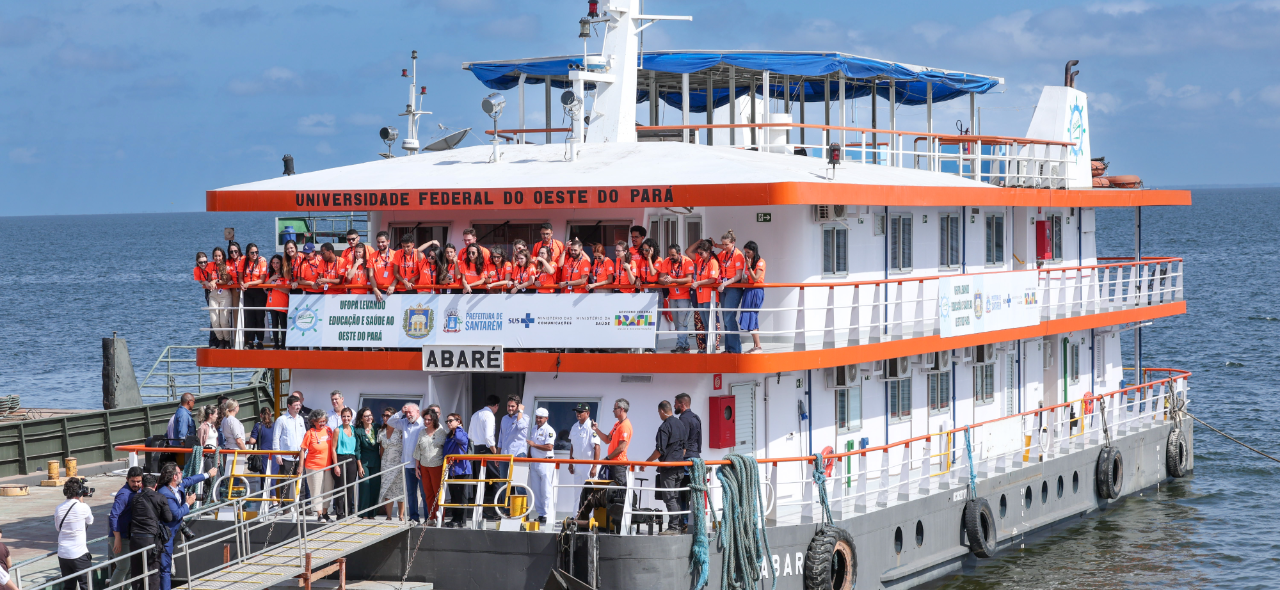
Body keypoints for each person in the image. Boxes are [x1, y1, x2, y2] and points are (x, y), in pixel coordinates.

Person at [157, 464, 214, 590]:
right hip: (166, 535)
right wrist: (188, 503)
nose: (182, 474)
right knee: (165, 568)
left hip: (173, 531)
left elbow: (190, 480)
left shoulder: (178, 485)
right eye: (180, 472)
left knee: (165, 567)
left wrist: (208, 474)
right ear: (174, 476)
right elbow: (176, 514)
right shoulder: (165, 493)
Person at [641, 401, 688, 534]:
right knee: (676, 497)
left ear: (662, 411)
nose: (659, 415)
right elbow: (684, 448)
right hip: (680, 467)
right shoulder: (681, 424)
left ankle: (673, 527)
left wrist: (647, 462)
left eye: (658, 413)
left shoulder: (665, 427)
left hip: (668, 469)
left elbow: (659, 450)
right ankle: (677, 525)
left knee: (669, 497)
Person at [386, 404, 428, 522]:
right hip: (407, 464)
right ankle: (414, 517)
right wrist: (400, 412)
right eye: (407, 413)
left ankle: (428, 516)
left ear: (417, 411)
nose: (408, 415)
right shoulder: (404, 422)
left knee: (424, 493)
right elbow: (390, 421)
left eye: (410, 412)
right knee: (411, 493)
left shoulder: (424, 424)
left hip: (421, 464)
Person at [127, 475, 169, 590]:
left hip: (135, 539)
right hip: (151, 540)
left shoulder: (135, 498)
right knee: (153, 573)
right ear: (155, 486)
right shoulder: (160, 497)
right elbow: (168, 518)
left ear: (142, 485)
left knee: (136, 573)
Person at [108, 467, 144, 587]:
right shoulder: (123, 495)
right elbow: (113, 516)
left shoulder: (138, 491)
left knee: (131, 568)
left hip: (129, 536)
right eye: (133, 481)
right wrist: (117, 538)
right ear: (127, 479)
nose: (136, 484)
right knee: (123, 567)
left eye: (138, 481)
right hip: (120, 537)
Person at [591, 399, 633, 500]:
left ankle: (620, 513)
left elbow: (621, 447)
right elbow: (607, 439)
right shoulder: (617, 424)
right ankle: (612, 514)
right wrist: (596, 429)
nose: (613, 411)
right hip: (613, 464)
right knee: (611, 493)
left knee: (620, 493)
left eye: (615, 409)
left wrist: (607, 458)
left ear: (621, 409)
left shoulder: (625, 426)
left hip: (619, 465)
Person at [467, 395, 500, 519]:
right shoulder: (489, 415)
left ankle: (479, 511)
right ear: (496, 405)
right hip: (487, 450)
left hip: (476, 450)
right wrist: (495, 452)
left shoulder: (475, 414)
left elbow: (470, 434)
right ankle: (498, 510)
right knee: (498, 479)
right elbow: (489, 437)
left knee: (480, 481)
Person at [412, 405, 446, 525]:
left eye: (429, 420)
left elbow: (446, 449)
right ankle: (431, 518)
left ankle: (440, 517)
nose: (426, 422)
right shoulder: (422, 432)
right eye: (425, 419)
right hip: (424, 466)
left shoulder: (442, 432)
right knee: (428, 493)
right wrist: (417, 467)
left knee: (438, 493)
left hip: (437, 466)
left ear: (434, 420)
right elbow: (418, 450)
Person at [714, 230, 746, 354]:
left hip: (733, 287)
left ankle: (736, 349)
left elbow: (738, 275)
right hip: (724, 288)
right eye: (723, 244)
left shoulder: (738, 255)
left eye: (726, 245)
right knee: (725, 318)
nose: (724, 247)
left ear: (733, 243)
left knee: (729, 318)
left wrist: (724, 284)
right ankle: (728, 349)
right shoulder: (724, 253)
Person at [300, 409, 336, 521]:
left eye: (324, 421)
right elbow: (302, 450)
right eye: (320, 421)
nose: (322, 423)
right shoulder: (309, 433)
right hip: (313, 466)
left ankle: (325, 513)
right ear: (313, 421)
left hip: (328, 466)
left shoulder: (329, 430)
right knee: (317, 490)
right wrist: (300, 466)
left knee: (328, 490)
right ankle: (319, 514)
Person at [659, 244, 695, 353]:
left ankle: (680, 345)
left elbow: (689, 279)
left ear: (679, 254)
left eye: (673, 255)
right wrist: (665, 281)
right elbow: (660, 278)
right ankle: (685, 345)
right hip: (672, 296)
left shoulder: (687, 261)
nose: (671, 257)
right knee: (676, 323)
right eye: (669, 254)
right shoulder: (666, 261)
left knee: (682, 322)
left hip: (685, 296)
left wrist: (673, 280)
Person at [273, 395, 307, 507]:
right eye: (295, 405)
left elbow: (304, 437)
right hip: (286, 457)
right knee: (285, 482)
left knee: (301, 482)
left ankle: (301, 505)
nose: (298, 407)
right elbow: (276, 437)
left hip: (300, 456)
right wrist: (277, 455)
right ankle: (285, 506)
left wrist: (305, 453)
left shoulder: (301, 419)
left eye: (299, 405)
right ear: (289, 406)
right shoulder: (281, 420)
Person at [674, 393, 702, 527]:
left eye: (676, 403)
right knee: (695, 492)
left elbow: (682, 442)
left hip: (686, 460)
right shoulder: (696, 418)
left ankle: (685, 522)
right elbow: (699, 441)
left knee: (682, 492)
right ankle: (696, 521)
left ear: (682, 405)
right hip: (696, 458)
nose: (674, 406)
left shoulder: (683, 420)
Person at [567, 403, 602, 512]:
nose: (578, 414)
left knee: (590, 492)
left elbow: (597, 448)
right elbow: (572, 446)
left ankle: (590, 516)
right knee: (577, 491)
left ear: (587, 413)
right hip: (578, 463)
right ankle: (575, 515)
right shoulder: (574, 427)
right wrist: (571, 463)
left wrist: (594, 466)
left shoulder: (592, 427)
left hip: (589, 464)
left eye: (581, 412)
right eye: (577, 411)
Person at [690, 240, 722, 353]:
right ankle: (708, 347)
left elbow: (713, 279)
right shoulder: (700, 261)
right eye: (698, 253)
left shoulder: (713, 262)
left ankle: (711, 347)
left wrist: (698, 283)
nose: (699, 255)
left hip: (710, 297)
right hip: (701, 297)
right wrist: (699, 242)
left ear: (708, 252)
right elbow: (688, 251)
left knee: (710, 324)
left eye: (701, 253)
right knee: (705, 324)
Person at [442, 413, 472, 528]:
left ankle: (461, 520)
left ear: (458, 421)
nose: (448, 423)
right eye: (447, 421)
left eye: (451, 421)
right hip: (452, 469)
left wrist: (458, 428)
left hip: (462, 469)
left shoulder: (462, 433)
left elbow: (460, 440)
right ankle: (455, 518)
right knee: (454, 495)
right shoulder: (449, 436)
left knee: (461, 495)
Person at [527, 407, 556, 524]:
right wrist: (528, 459)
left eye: (541, 418)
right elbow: (530, 446)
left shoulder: (549, 430)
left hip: (545, 462)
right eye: (537, 417)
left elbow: (549, 447)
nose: (538, 420)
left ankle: (547, 514)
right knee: (536, 490)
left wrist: (534, 445)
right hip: (534, 462)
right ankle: (540, 514)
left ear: (546, 418)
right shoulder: (534, 429)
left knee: (546, 489)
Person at [377, 408, 407, 521]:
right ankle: (389, 516)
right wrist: (381, 464)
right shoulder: (381, 431)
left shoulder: (400, 430)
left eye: (388, 416)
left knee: (399, 489)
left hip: (399, 464)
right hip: (386, 464)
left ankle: (401, 516)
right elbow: (381, 450)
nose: (385, 418)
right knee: (387, 490)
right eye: (384, 415)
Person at [332, 408, 361, 520]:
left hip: (352, 459)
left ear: (351, 417)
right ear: (341, 417)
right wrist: (336, 465)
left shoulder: (354, 430)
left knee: (350, 487)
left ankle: (349, 511)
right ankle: (339, 513)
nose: (346, 418)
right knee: (340, 487)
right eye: (344, 416)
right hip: (341, 458)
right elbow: (333, 449)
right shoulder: (337, 431)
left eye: (348, 416)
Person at [238, 243, 269, 349]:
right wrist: (242, 283)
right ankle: (250, 341)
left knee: (260, 317)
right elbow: (240, 277)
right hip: (248, 293)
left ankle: (260, 341)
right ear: (248, 253)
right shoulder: (243, 261)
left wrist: (248, 284)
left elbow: (262, 279)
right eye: (252, 252)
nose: (255, 254)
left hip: (259, 292)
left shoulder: (262, 261)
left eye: (256, 252)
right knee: (249, 317)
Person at [353, 408, 382, 518]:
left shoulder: (377, 427)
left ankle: (372, 513)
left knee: (375, 486)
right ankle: (363, 513)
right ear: (361, 418)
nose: (369, 417)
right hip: (364, 461)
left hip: (376, 461)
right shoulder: (358, 431)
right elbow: (357, 449)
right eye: (366, 416)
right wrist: (359, 466)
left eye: (370, 415)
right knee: (365, 486)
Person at [205, 247, 236, 348]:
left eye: (219, 256)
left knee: (223, 321)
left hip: (225, 295)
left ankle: (227, 341)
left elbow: (227, 280)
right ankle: (220, 340)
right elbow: (209, 279)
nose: (217, 258)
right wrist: (210, 282)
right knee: (214, 321)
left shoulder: (227, 266)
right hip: (214, 294)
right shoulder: (210, 265)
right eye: (215, 256)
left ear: (222, 256)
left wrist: (216, 281)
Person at [740, 240, 767, 353]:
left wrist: (749, 266)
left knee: (752, 317)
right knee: (750, 317)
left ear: (754, 251)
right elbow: (747, 278)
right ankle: (756, 345)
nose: (747, 255)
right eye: (745, 252)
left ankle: (758, 346)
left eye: (749, 252)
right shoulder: (749, 263)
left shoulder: (760, 262)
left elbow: (756, 278)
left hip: (756, 291)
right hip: (748, 290)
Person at [264, 255, 290, 348]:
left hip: (282, 304)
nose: (275, 265)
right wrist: (272, 279)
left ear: (281, 264)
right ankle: (276, 344)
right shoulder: (270, 275)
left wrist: (276, 286)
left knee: (283, 324)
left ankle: (283, 344)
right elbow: (264, 287)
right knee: (274, 324)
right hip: (272, 303)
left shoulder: (285, 274)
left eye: (277, 263)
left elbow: (287, 290)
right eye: (273, 263)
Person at [249, 406, 275, 497]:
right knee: (273, 478)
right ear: (270, 415)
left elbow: (252, 441)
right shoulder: (275, 425)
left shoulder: (258, 425)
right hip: (275, 455)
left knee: (265, 478)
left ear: (260, 415)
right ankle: (273, 500)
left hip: (263, 456)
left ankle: (271, 500)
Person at [193, 252, 217, 348]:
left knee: (220, 316)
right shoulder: (196, 270)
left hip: (217, 290)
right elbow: (200, 280)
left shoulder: (211, 265)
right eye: (201, 262)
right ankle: (213, 342)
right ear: (197, 262)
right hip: (208, 292)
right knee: (213, 316)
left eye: (205, 262)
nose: (203, 264)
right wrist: (206, 282)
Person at [369, 231, 396, 302]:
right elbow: (371, 275)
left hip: (393, 290)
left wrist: (393, 285)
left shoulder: (395, 254)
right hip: (378, 290)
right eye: (378, 242)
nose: (380, 244)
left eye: (383, 242)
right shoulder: (372, 256)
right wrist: (375, 289)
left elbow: (398, 273)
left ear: (388, 241)